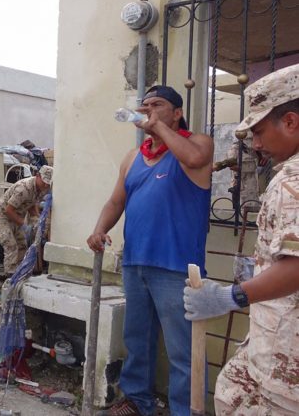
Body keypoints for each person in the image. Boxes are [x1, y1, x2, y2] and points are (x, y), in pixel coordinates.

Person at [87, 85, 213, 416]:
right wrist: (100, 229)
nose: (147, 111)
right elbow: (117, 201)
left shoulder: (198, 144)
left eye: (156, 105)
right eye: (144, 106)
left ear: (177, 112)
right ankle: (137, 401)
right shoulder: (133, 157)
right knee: (137, 340)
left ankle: (187, 410)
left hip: (177, 268)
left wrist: (157, 126)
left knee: (183, 349)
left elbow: (194, 158)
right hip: (136, 262)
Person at [183, 64, 299, 415]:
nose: (257, 144)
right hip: (273, 339)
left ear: (291, 122)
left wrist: (229, 296)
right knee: (233, 390)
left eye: (260, 131)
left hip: (287, 357)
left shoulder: (293, 182)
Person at [0, 166, 54, 275]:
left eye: (48, 183)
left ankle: (20, 272)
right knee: (11, 246)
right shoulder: (23, 188)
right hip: (1, 216)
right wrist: (24, 225)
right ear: (37, 176)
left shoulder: (42, 188)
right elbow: (8, 210)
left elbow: (32, 204)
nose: (46, 185)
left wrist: (37, 219)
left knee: (22, 245)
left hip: (16, 215)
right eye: (44, 182)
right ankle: (10, 276)